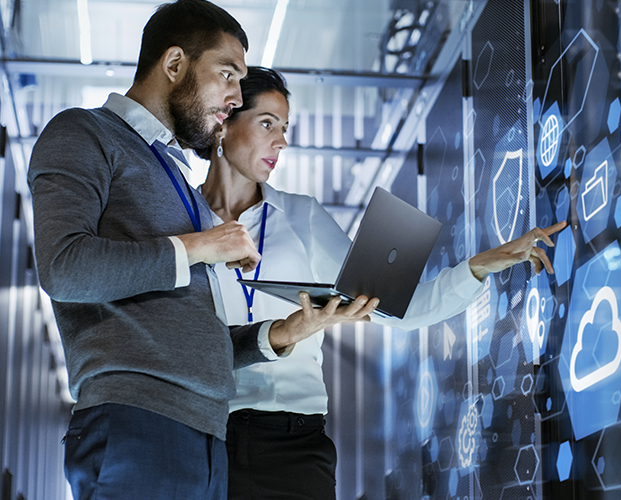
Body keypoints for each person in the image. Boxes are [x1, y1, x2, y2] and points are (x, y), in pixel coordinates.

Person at [27, 3, 377, 499]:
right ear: (174, 65)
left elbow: (195, 339)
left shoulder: (178, 182)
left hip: (207, 437)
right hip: (137, 422)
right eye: (227, 74)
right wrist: (202, 245)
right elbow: (65, 267)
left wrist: (283, 333)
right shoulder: (84, 133)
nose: (235, 97)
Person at [196, 66, 566, 500]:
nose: (281, 141)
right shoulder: (182, 223)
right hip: (203, 435)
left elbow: (397, 310)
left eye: (285, 128)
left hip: (293, 444)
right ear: (225, 122)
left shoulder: (303, 217)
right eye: (267, 124)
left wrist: (480, 266)